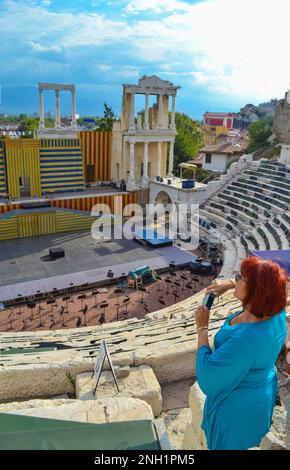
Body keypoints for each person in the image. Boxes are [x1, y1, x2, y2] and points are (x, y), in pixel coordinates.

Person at [195, 256, 287, 450]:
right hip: (260, 393)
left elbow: (209, 376)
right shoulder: (275, 311)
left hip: (237, 408)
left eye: (239, 277)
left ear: (255, 291)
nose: (235, 279)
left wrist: (202, 329)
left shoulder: (246, 339)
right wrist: (229, 284)